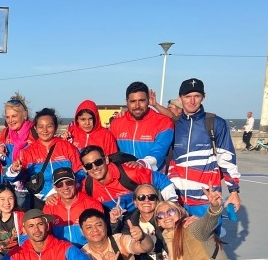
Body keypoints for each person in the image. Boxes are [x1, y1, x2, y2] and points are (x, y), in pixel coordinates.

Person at [167, 78, 241, 218]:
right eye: (187, 96)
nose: (192, 101)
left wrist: (234, 191)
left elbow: (227, 158)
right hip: (176, 200)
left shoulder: (216, 123)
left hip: (207, 200)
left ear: (203, 97)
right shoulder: (172, 124)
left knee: (209, 233)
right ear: (180, 98)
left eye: (197, 96)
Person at [6, 108, 83, 209]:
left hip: (68, 199)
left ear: (55, 127)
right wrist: (14, 170)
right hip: (41, 202)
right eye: (40, 127)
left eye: (49, 126)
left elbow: (80, 172)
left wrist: (63, 192)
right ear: (35, 128)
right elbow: (15, 179)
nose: (45, 130)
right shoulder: (27, 152)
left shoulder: (68, 147)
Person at [79, 145, 176, 214]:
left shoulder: (130, 172)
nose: (95, 168)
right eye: (88, 166)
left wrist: (173, 205)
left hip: (144, 215)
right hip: (116, 222)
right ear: (84, 169)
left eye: (98, 162)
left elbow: (163, 181)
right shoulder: (87, 186)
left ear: (106, 160)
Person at [110, 183, 169, 260]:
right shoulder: (130, 221)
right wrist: (114, 222)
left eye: (151, 197)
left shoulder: (167, 216)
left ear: (158, 201)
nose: (146, 200)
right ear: (135, 202)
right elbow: (119, 241)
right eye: (141, 197)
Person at [107, 82, 175, 171]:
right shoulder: (116, 123)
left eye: (142, 100)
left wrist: (141, 163)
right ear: (126, 102)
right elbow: (109, 151)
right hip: (126, 176)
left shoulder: (164, 122)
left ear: (148, 100)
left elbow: (159, 151)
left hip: (153, 176)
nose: (137, 106)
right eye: (133, 101)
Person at [43, 167, 104, 247]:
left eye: (69, 182)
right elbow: (46, 236)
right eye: (60, 184)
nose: (65, 187)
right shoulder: (49, 207)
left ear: (75, 182)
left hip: (88, 250)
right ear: (55, 187)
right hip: (61, 251)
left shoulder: (92, 204)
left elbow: (101, 233)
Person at [0, 94, 34, 207]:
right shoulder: (6, 132)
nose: (10, 120)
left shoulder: (34, 132)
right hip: (10, 182)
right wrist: (0, 147)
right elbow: (1, 146)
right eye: (7, 117)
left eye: (14, 116)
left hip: (28, 184)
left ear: (24, 115)